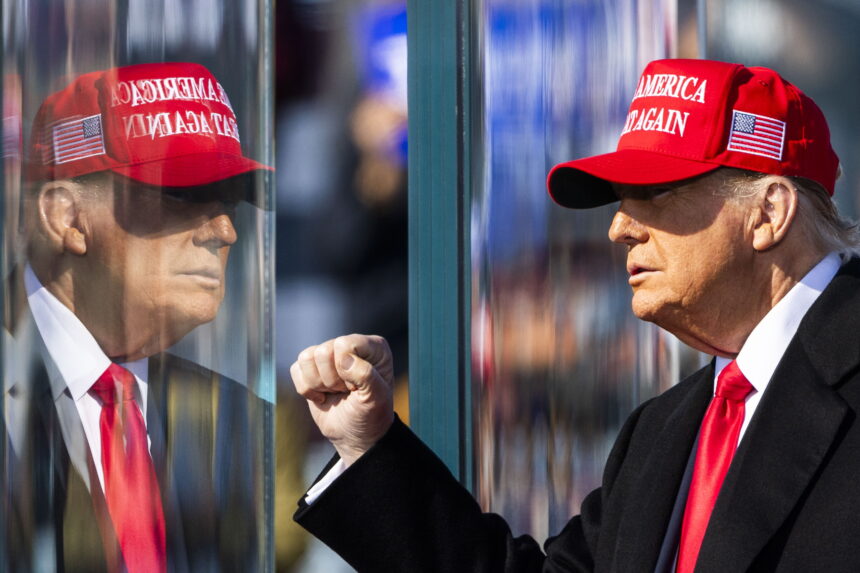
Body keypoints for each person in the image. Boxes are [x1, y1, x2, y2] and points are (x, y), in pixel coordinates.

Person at [290, 58, 860, 572]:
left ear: (767, 213)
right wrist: (369, 446)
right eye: (619, 200)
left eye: (656, 193)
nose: (618, 227)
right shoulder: (665, 428)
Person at [4, 62, 272, 572]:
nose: (224, 231)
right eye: (183, 195)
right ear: (67, 218)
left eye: (231, 203)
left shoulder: (238, 419)